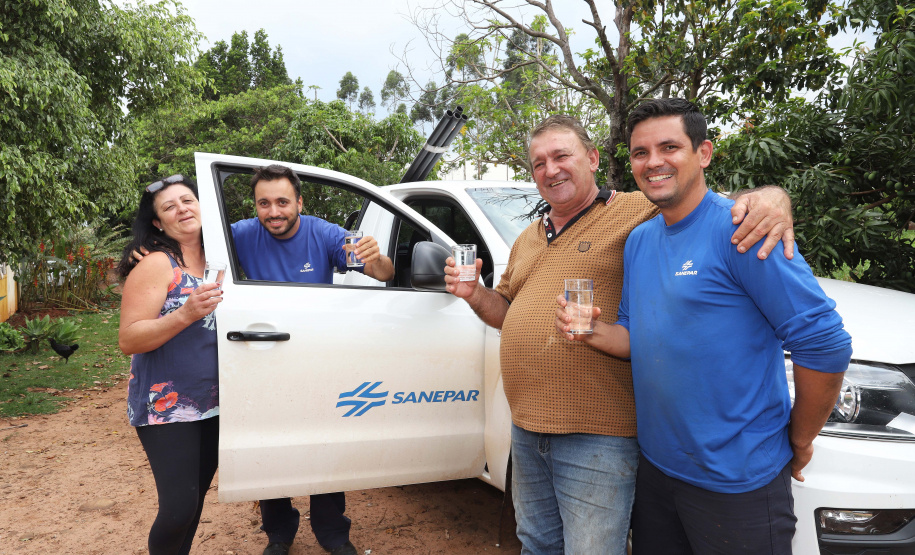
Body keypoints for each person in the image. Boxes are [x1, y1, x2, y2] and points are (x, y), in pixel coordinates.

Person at [444, 113, 796, 554]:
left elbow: (700, 201)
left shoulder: (635, 208)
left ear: (592, 159)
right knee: (535, 542)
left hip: (598, 433)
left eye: (561, 156)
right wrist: (475, 294)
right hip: (527, 428)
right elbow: (507, 311)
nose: (550, 170)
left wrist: (771, 198)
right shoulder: (528, 238)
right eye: (538, 163)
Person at [555, 98, 852, 554]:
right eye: (640, 152)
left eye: (669, 147)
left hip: (737, 482)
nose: (653, 162)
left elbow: (825, 344)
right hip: (658, 471)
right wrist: (592, 331)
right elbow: (636, 337)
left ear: (704, 153)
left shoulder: (742, 229)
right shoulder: (639, 240)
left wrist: (800, 436)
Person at [134, 164, 392, 555]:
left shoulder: (323, 232)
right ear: (255, 206)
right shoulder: (236, 235)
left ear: (299, 203)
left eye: (283, 202)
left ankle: (333, 532)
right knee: (271, 448)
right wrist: (146, 247)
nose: (274, 212)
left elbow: (380, 273)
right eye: (264, 203)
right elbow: (187, 242)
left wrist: (377, 259)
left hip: (315, 356)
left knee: (325, 443)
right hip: (263, 357)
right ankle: (279, 531)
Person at [117, 175, 223, 555]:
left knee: (192, 506)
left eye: (187, 200)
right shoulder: (157, 264)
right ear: (158, 223)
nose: (182, 209)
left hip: (213, 399)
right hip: (166, 404)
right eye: (169, 207)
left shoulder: (222, 257)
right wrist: (185, 314)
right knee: (177, 508)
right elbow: (129, 338)